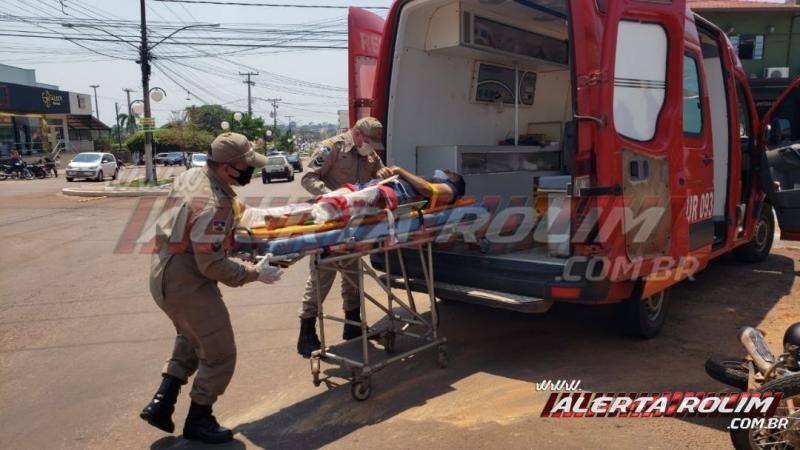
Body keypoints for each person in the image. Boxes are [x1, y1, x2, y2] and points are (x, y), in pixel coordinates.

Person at [140, 132, 284, 444]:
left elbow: (214, 213)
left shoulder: (194, 176)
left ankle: (161, 403)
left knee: (193, 336)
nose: (251, 170)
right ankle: (199, 420)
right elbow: (214, 267)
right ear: (228, 167)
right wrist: (255, 273)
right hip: (188, 283)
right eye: (247, 165)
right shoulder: (213, 206)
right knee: (220, 354)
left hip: (163, 272)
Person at [297, 117, 392, 357]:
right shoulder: (333, 148)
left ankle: (352, 325)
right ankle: (306, 333)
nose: (371, 148)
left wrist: (381, 174)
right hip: (328, 221)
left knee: (352, 275)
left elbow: (377, 174)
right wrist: (333, 197)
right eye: (368, 142)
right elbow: (308, 178)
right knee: (321, 276)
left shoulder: (369, 154)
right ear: (357, 134)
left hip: (354, 224)